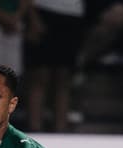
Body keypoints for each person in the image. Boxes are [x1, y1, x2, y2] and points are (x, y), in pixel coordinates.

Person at [23, 0, 86, 131]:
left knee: (64, 78)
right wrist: (32, 15)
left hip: (72, 14)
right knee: (39, 76)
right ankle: (35, 130)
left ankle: (61, 131)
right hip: (42, 10)